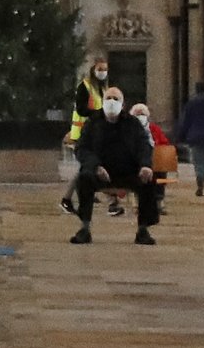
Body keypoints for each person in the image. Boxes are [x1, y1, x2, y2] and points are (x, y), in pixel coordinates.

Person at [68, 85, 163, 244]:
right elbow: (82, 148)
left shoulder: (132, 124)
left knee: (148, 182)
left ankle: (143, 229)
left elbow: (143, 146)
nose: (112, 102)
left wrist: (145, 165)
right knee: (84, 178)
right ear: (103, 102)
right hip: (100, 172)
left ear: (123, 104)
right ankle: (85, 227)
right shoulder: (93, 122)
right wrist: (95, 166)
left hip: (128, 172)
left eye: (116, 99)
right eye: (108, 98)